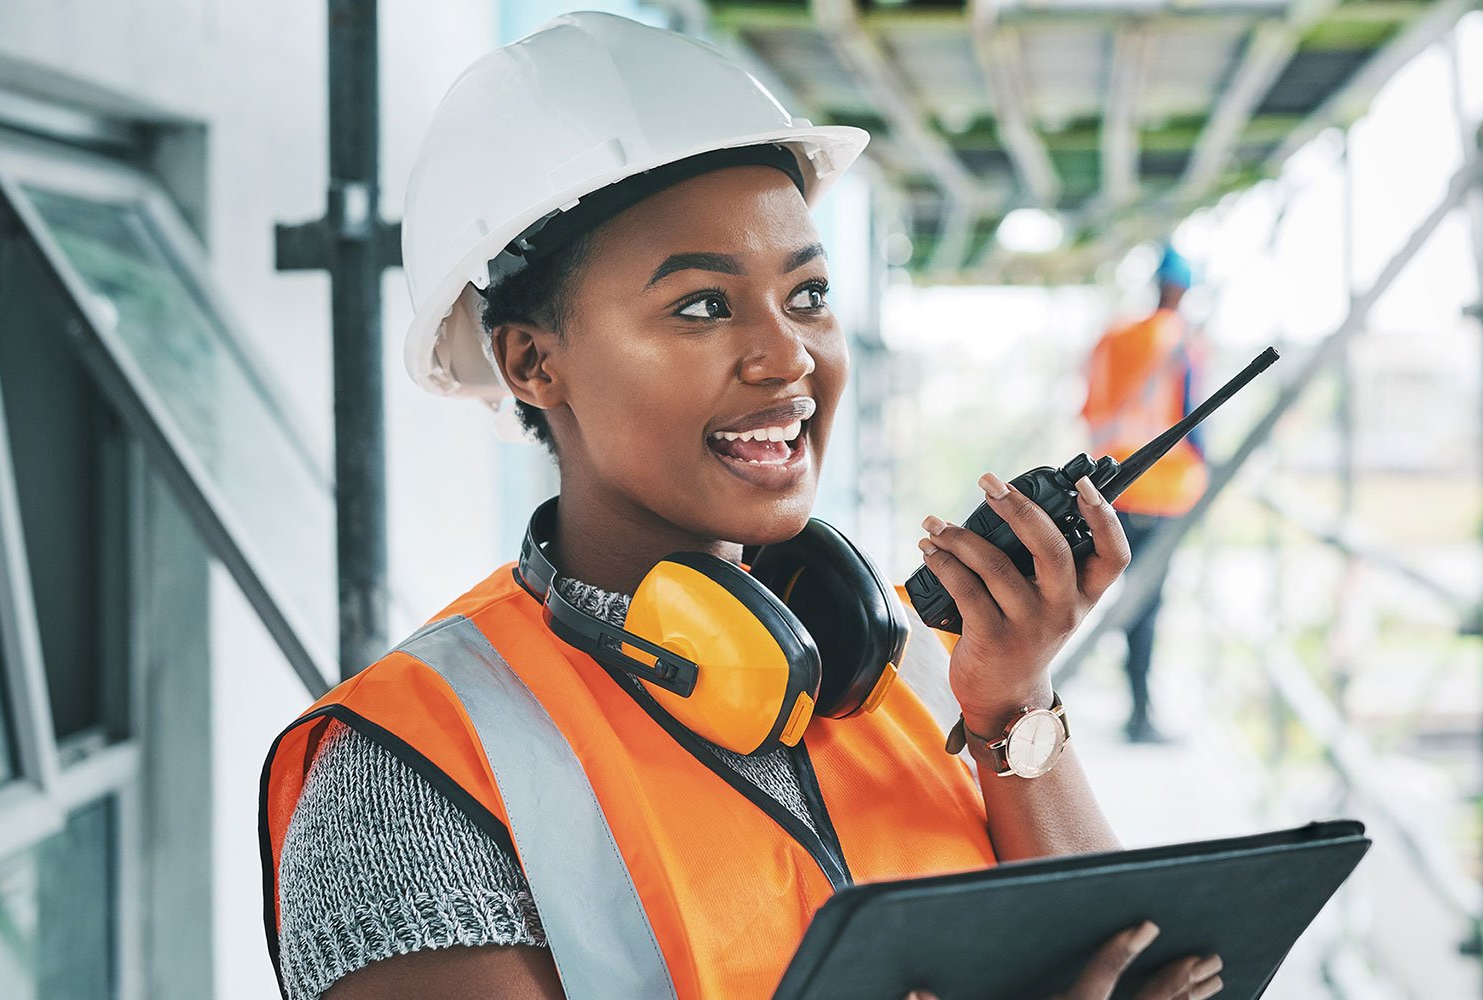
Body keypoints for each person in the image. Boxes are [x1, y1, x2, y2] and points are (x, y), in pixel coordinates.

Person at [257, 15, 1224, 1000]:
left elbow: (1125, 958)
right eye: (703, 306)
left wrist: (1012, 704)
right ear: (532, 362)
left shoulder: (905, 671)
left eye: (807, 295)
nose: (788, 356)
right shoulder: (412, 773)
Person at [1080, 247, 1208, 744]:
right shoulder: (1180, 340)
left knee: (1117, 592)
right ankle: (1139, 714)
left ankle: (1133, 705)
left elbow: (1091, 407)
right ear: (1182, 290)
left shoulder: (1113, 337)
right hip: (1162, 492)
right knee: (1146, 607)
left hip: (1110, 487)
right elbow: (1192, 419)